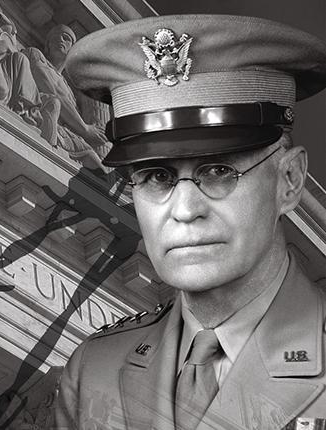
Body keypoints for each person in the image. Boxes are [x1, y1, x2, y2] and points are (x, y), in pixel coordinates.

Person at [54, 15, 326, 430]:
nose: (184, 209)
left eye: (219, 171)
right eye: (156, 176)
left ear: (289, 180)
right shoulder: (94, 371)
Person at [24, 24, 110, 169]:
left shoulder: (69, 90)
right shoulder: (36, 55)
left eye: (66, 38)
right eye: (55, 37)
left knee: (96, 165)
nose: (60, 40)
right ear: (47, 44)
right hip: (40, 113)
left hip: (64, 131)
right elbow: (51, 89)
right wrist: (85, 129)